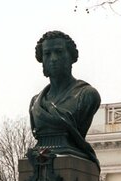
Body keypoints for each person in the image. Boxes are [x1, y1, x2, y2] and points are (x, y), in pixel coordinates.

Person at [29, 30, 102, 169]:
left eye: (59, 52)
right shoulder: (35, 103)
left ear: (71, 57)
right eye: (47, 54)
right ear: (42, 60)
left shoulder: (87, 95)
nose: (53, 58)